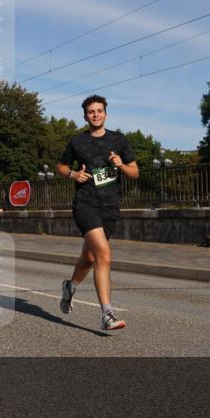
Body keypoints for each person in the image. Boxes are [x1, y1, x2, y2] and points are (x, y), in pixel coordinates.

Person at [57, 95, 139, 331]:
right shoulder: (77, 142)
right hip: (85, 204)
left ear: (106, 114)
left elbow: (135, 172)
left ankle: (70, 287)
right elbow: (61, 166)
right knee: (104, 255)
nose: (95, 114)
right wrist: (73, 174)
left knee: (91, 258)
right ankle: (107, 314)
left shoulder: (118, 140)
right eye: (91, 112)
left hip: (110, 207)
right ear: (85, 116)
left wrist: (121, 165)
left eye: (99, 111)